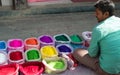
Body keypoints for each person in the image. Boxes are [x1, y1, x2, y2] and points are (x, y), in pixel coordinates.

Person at [73, 0, 120, 75]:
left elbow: (92, 54)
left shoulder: (99, 29)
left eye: (98, 13)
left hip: (109, 70)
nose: (95, 15)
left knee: (77, 52)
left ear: (106, 14)